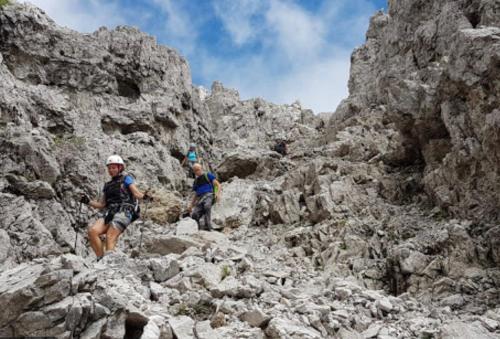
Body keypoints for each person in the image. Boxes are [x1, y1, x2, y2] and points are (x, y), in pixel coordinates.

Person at [80, 155, 152, 261]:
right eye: (109, 168)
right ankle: (101, 259)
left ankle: (109, 263)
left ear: (120, 168)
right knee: (93, 231)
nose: (111, 170)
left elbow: (136, 193)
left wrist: (145, 196)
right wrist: (88, 201)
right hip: (110, 211)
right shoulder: (107, 185)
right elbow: (102, 204)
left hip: (125, 210)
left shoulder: (126, 179)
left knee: (110, 236)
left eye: (113, 167)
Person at [187, 163, 221, 231]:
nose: (197, 171)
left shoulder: (207, 175)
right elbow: (196, 194)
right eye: (195, 170)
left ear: (201, 169)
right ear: (194, 171)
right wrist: (191, 205)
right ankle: (198, 228)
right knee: (194, 214)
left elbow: (217, 184)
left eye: (198, 169)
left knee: (207, 206)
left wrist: (217, 194)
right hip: (200, 199)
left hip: (209, 195)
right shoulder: (196, 181)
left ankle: (208, 226)